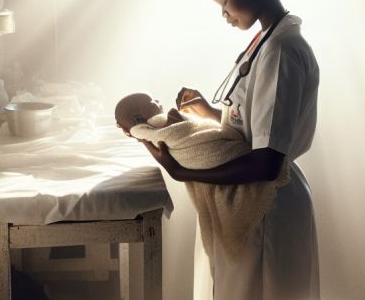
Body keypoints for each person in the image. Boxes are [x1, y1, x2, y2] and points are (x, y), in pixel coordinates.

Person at [141, 0, 321, 300]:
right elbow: (256, 124)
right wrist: (210, 112)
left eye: (224, 1)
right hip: (253, 199)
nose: (224, 14)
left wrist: (184, 172)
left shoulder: (281, 50)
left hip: (267, 202)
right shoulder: (266, 41)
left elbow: (267, 162)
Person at [115, 92, 290, 265]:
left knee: (250, 271)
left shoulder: (152, 129)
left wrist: (180, 173)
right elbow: (171, 134)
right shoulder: (160, 124)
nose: (158, 100)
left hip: (258, 185)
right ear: (139, 119)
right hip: (236, 172)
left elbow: (266, 165)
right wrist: (208, 111)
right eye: (152, 101)